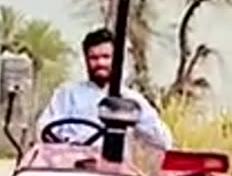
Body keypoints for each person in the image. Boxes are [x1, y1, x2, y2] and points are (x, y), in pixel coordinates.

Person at [36, 28, 173, 150]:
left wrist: (136, 119)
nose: (100, 63)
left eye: (106, 57)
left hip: (112, 169)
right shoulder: (67, 93)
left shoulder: (131, 100)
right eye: (94, 58)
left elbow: (163, 142)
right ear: (86, 60)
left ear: (117, 59)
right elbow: (45, 128)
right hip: (70, 162)